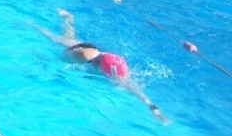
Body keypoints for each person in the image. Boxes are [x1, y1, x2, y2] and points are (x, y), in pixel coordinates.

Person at [37, 9, 167, 122]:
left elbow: (137, 92)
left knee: (68, 39)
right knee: (57, 41)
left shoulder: (120, 77)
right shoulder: (87, 56)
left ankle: (68, 18)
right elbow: (64, 58)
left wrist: (153, 109)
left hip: (99, 57)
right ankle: (33, 25)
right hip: (86, 52)